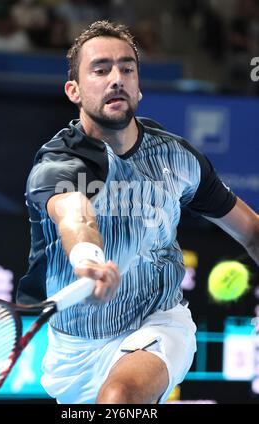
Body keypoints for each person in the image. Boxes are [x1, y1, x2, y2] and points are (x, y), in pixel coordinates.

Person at [17, 20, 259, 404]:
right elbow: (74, 214)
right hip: (74, 352)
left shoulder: (177, 159)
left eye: (127, 68)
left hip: (159, 321)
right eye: (101, 69)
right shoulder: (58, 163)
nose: (117, 78)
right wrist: (88, 256)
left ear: (139, 86)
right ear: (73, 91)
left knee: (119, 398)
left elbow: (250, 231)